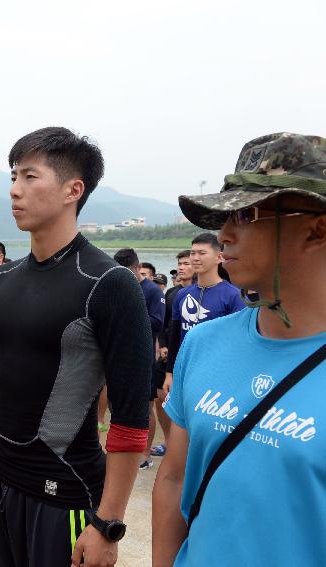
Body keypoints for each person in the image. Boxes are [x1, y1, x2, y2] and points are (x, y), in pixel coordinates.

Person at [0, 127, 152, 567]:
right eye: (12, 177)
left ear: (72, 190)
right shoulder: (4, 278)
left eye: (29, 177)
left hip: (63, 491)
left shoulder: (108, 283)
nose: (14, 190)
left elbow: (130, 419)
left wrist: (108, 524)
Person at [153, 132, 326, 566]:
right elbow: (174, 477)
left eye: (247, 214)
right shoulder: (205, 342)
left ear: (318, 227)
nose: (224, 234)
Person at [163, 233, 246, 395]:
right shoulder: (182, 294)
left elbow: (241, 342)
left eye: (202, 253)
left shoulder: (233, 296)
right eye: (193, 253)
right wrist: (169, 373)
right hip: (185, 370)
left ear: (219, 257)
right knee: (179, 418)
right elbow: (175, 335)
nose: (195, 258)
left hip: (218, 373)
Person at [114, 248, 165, 471]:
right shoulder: (119, 287)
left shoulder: (153, 291)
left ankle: (145, 452)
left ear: (136, 268)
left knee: (146, 405)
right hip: (119, 355)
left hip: (143, 356)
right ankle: (123, 449)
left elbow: (158, 322)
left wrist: (130, 316)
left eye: (125, 272)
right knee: (121, 404)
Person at [152, 251, 195, 457]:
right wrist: (162, 345)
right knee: (162, 397)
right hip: (169, 353)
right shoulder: (172, 294)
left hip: (192, 357)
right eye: (180, 263)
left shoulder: (206, 293)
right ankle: (170, 443)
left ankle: (187, 448)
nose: (181, 267)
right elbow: (164, 323)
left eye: (186, 263)